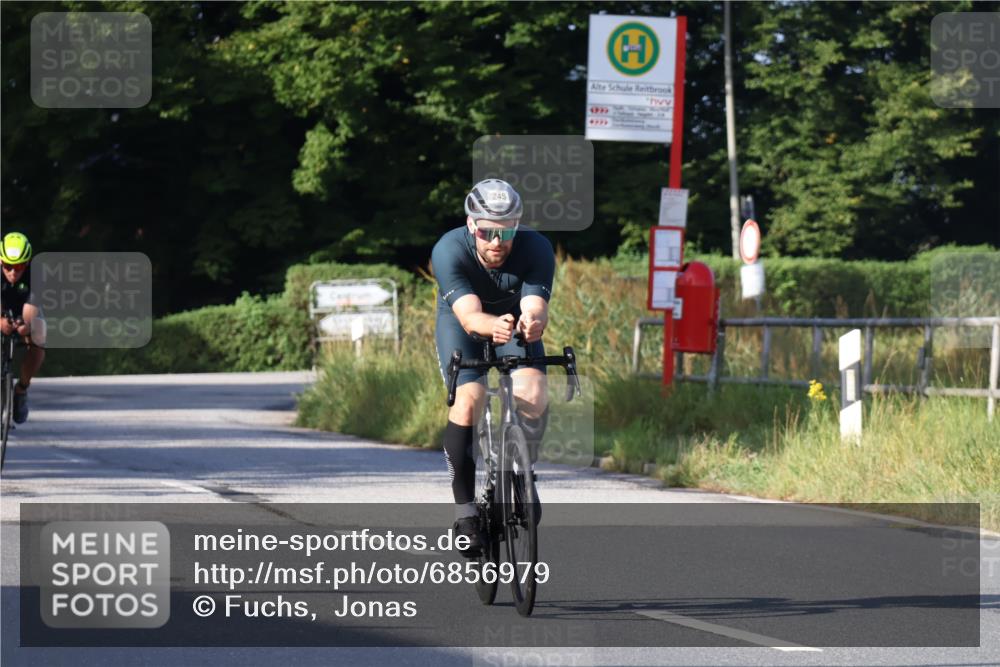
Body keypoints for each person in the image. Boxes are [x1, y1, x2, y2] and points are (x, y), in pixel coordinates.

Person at [431, 179, 554, 557]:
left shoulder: (537, 247)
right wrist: (490, 325)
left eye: (507, 232)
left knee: (533, 391)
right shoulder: (449, 249)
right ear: (472, 225)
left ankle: (521, 472)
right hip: (462, 326)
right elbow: (469, 316)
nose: (497, 242)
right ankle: (465, 513)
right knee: (470, 399)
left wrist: (533, 321)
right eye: (487, 232)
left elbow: (535, 305)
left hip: (513, 323)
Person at [0, 232, 46, 424]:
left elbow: (31, 310)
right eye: (8, 266)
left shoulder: (36, 273)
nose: (13, 272)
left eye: (18, 267)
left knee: (39, 335)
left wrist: (25, 327)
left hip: (25, 305)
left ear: (26, 263)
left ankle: (21, 389)